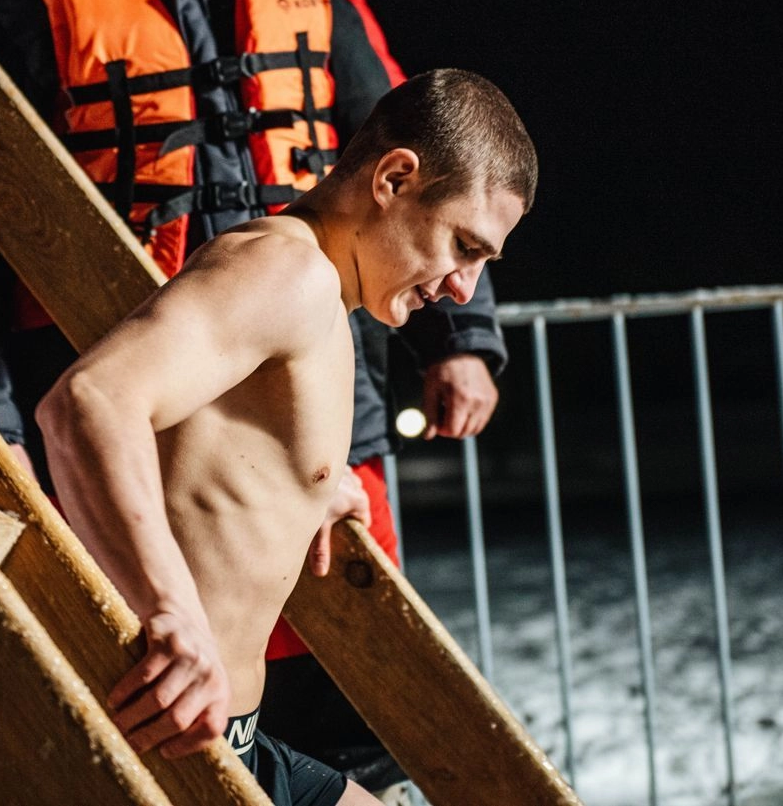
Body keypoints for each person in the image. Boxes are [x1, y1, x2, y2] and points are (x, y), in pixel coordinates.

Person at [0, 0, 511, 792]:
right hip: (120, 396)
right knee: (152, 669)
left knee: (345, 673)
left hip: (320, 388)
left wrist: (458, 331)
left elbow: (421, 152)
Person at [37, 69, 538, 806]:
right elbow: (89, 403)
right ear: (394, 178)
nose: (463, 288)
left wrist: (309, 488)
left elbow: (209, 445)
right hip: (161, 742)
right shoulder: (286, 270)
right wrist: (170, 611)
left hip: (229, 738)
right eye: (463, 245)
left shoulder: (323, 293)